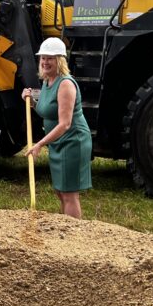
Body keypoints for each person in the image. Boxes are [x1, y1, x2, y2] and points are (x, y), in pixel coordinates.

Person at [22, 37, 92, 218]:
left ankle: (73, 235)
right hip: (58, 142)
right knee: (60, 191)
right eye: (43, 58)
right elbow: (47, 112)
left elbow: (65, 123)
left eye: (50, 58)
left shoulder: (65, 84)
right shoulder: (47, 82)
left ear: (59, 60)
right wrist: (31, 102)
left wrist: (39, 144)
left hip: (72, 140)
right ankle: (65, 228)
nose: (45, 62)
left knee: (69, 193)